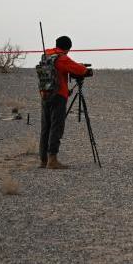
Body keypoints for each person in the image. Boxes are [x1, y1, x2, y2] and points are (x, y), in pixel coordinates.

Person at [38, 35, 93, 169]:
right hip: (58, 95)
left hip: (45, 94)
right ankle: (52, 160)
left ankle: (43, 160)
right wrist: (87, 70)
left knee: (46, 127)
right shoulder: (62, 58)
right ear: (67, 48)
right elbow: (80, 70)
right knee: (57, 127)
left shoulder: (46, 55)